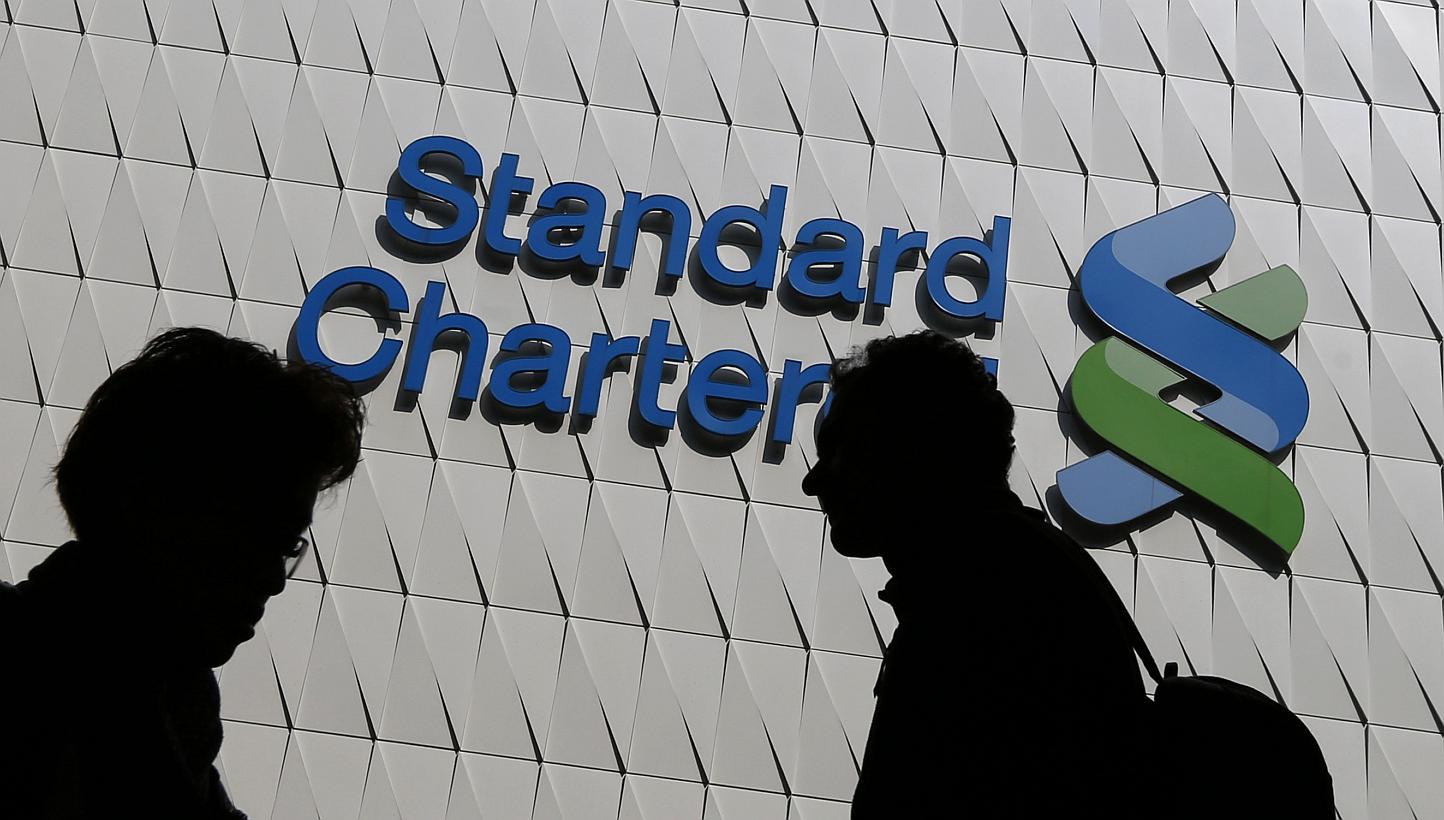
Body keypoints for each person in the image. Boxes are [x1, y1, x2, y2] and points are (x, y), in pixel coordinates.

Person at [0, 327, 365, 818]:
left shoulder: (177, 703)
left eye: (286, 547)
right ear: (157, 508)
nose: (274, 580)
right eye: (258, 537)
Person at [802, 331, 1150, 818]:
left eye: (840, 451)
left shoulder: (984, 605)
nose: (813, 481)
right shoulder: (1012, 572)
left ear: (908, 452)